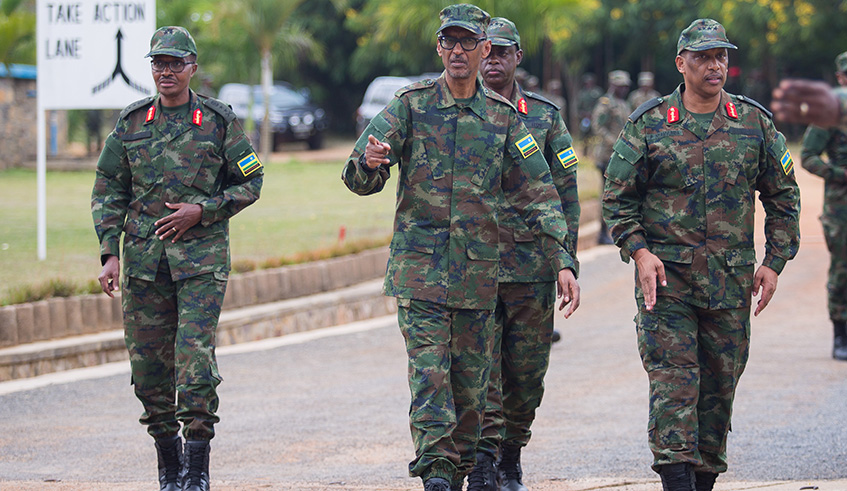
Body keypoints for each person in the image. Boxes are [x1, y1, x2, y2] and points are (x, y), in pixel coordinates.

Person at [341, 5, 579, 491]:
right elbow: (356, 175)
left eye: (467, 42)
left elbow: (539, 192)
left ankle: (478, 468)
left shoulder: (504, 119)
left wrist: (563, 259)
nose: (456, 51)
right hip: (420, 277)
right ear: (438, 48)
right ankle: (436, 478)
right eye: (448, 42)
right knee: (431, 384)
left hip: (478, 281)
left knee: (472, 396)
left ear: (484, 49)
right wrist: (370, 164)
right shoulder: (410, 105)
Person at [602, 19, 800, 491]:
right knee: (674, 388)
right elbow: (616, 198)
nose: (715, 66)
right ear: (681, 63)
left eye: (722, 57)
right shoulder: (649, 124)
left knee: (717, 393)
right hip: (666, 286)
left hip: (730, 288)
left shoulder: (753, 123)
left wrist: (774, 261)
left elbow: (784, 196)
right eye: (704, 57)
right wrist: (639, 250)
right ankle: (675, 481)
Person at [91, 26, 263, 491]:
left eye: (175, 63)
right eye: (158, 63)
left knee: (194, 363)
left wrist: (202, 211)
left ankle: (197, 468)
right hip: (145, 267)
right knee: (147, 371)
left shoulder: (217, 121)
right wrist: (110, 252)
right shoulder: (130, 125)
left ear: (192, 67)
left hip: (200, 266)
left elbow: (251, 181)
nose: (166, 71)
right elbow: (109, 190)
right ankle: (168, 465)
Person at [473, 17, 580, 491]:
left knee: (526, 376)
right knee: (480, 373)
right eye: (487, 51)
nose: (493, 60)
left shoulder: (543, 116)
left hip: (530, 269)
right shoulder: (459, 109)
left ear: (518, 58)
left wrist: (565, 261)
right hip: (472, 269)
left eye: (503, 52)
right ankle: (483, 466)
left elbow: (566, 193)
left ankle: (511, 455)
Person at [800, 51, 847, 361]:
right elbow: (807, 156)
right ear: (841, 78)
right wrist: (840, 174)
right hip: (842, 207)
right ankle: (841, 333)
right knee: (844, 269)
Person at [591, 70, 631, 244]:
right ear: (613, 85)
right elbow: (598, 126)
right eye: (621, 86)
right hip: (606, 156)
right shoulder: (606, 103)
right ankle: (601, 233)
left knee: (617, 195)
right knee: (607, 195)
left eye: (626, 86)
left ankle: (612, 231)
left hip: (619, 156)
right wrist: (614, 142)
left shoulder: (623, 104)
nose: (624, 89)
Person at [576, 73, 603, 153]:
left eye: (590, 81)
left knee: (596, 135)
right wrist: (583, 114)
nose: (589, 83)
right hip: (585, 119)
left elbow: (601, 105)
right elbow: (578, 108)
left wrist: (594, 114)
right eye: (587, 82)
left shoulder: (598, 92)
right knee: (584, 136)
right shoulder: (582, 94)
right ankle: (585, 152)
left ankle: (594, 153)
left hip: (595, 117)